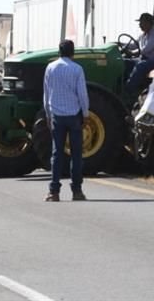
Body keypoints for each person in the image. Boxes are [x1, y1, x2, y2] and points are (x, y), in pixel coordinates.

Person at [43, 39, 89, 202]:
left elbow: (46, 93)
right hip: (74, 114)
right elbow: (82, 93)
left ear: (59, 51)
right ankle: (77, 191)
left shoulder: (50, 68)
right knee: (76, 154)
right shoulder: (77, 69)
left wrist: (48, 114)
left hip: (56, 114)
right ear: (72, 52)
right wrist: (85, 113)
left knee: (57, 153)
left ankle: (54, 191)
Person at [125, 13, 154, 91]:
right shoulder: (142, 35)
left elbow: (146, 49)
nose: (140, 25)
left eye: (142, 23)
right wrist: (119, 44)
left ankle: (129, 90)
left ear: (148, 23)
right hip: (145, 59)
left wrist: (132, 53)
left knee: (140, 66)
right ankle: (121, 86)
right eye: (140, 23)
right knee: (125, 62)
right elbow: (134, 45)